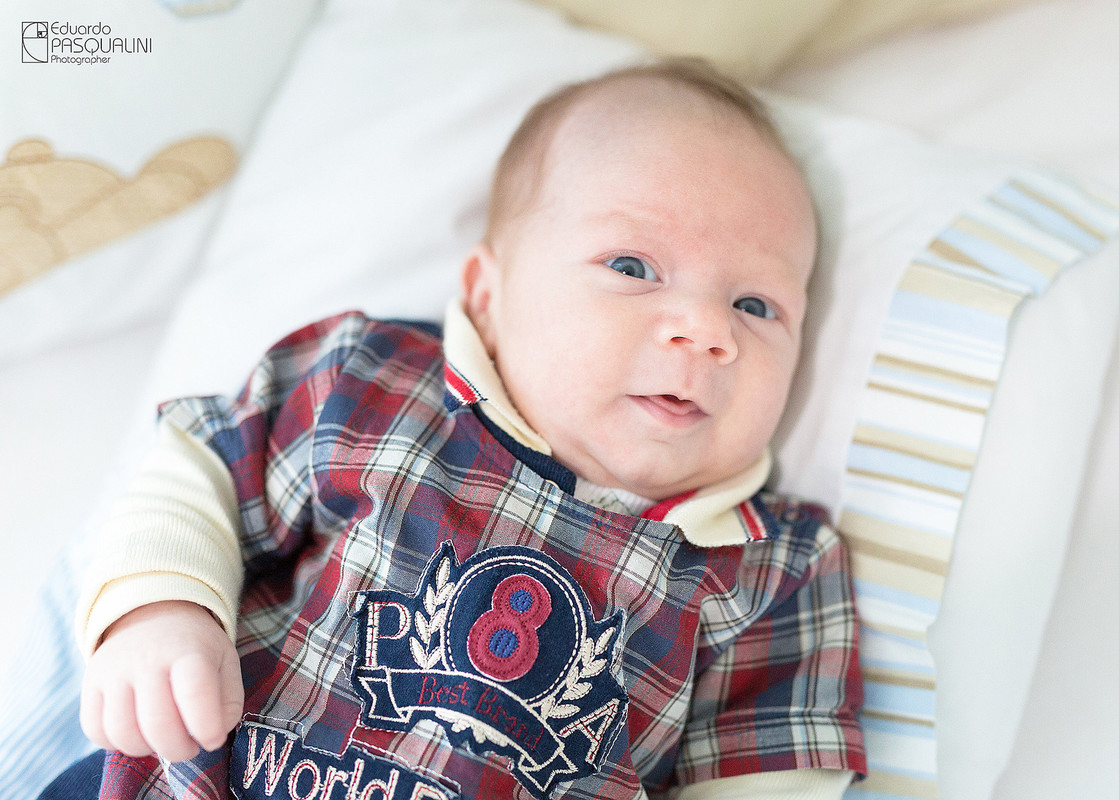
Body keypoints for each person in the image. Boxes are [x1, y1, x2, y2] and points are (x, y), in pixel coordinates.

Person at [64, 60, 865, 800]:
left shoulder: (771, 570)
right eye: (632, 268)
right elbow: (200, 467)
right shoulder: (371, 382)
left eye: (755, 306)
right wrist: (159, 610)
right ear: (488, 293)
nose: (704, 329)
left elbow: (769, 773)